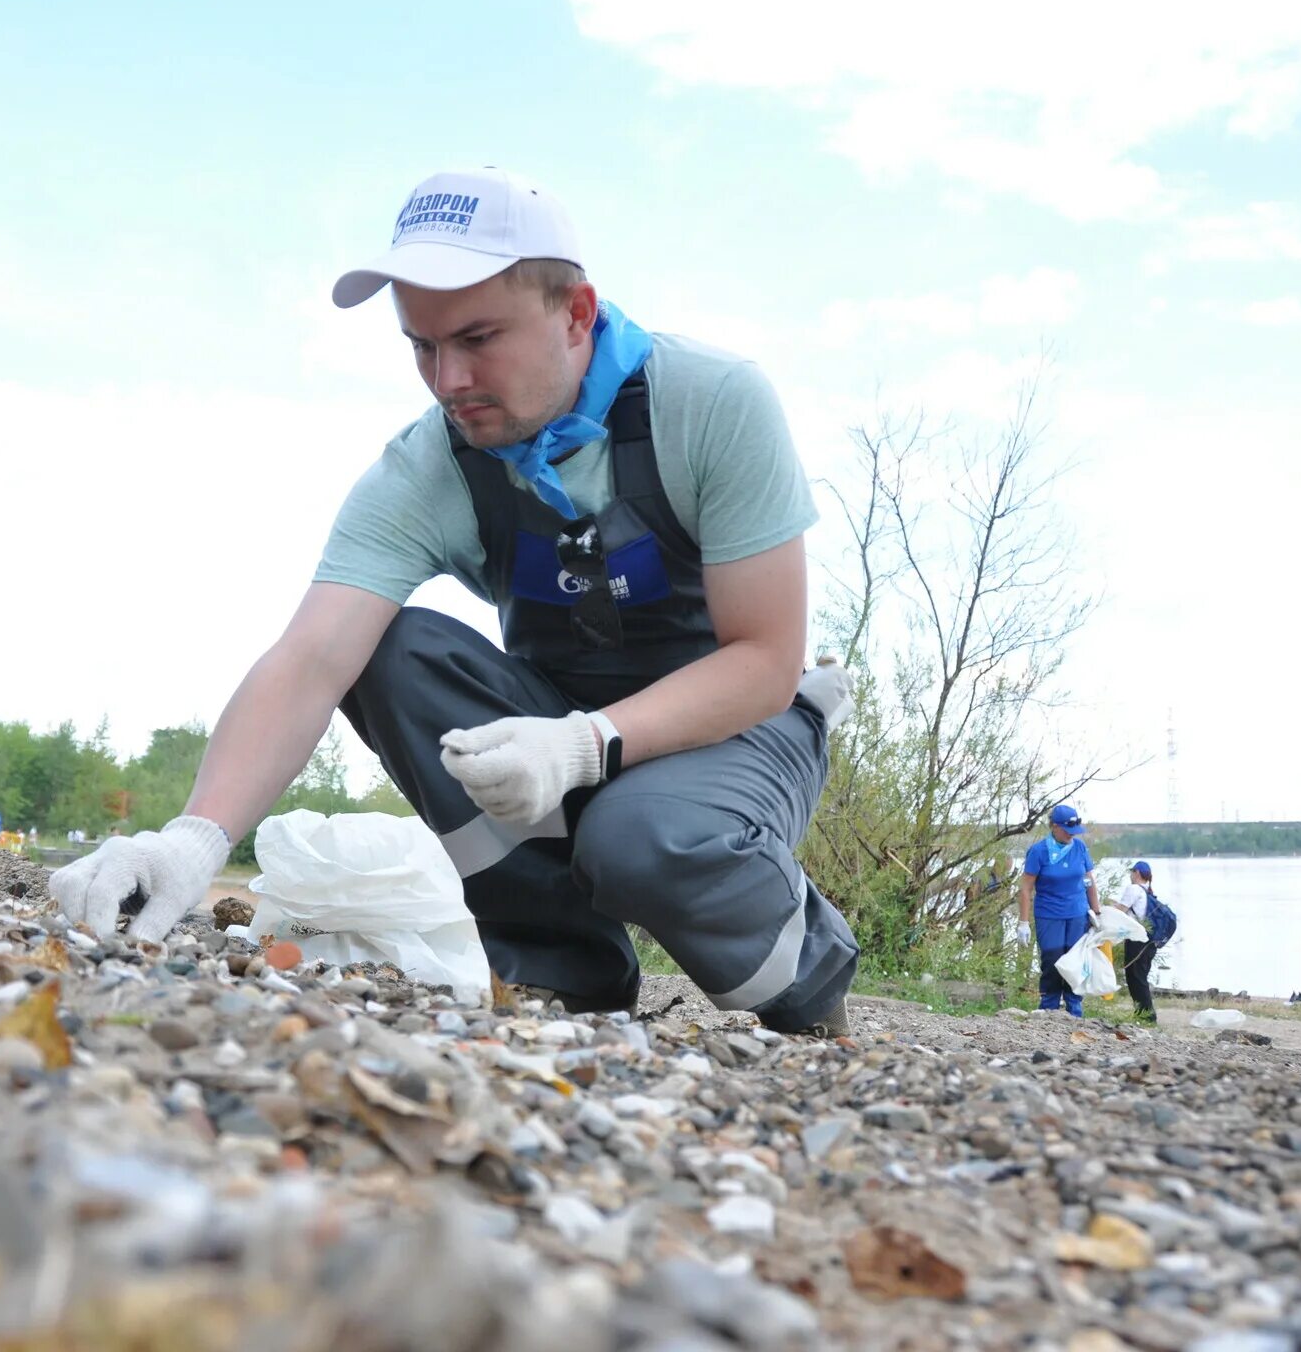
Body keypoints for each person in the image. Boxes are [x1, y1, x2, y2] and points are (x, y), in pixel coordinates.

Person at [50, 166, 859, 1034]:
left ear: (576, 313)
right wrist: (192, 839)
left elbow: (767, 658)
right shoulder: (431, 465)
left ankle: (800, 980)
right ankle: (562, 969)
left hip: (737, 725)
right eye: (422, 346)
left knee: (637, 837)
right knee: (388, 654)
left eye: (478, 338)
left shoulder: (711, 405)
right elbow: (310, 659)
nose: (448, 379)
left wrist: (588, 743)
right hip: (552, 722)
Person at [1018, 803, 1101, 1017]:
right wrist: (1023, 922)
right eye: (1067, 830)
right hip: (1049, 914)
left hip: (1077, 912)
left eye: (1075, 831)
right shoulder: (1038, 852)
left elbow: (1089, 881)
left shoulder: (1080, 848)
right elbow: (1026, 888)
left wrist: (1097, 912)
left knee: (1075, 959)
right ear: (1054, 826)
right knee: (1053, 958)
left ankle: (1074, 1005)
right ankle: (1049, 1004)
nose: (1071, 835)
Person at [1106, 860, 1159, 1023]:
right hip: (1149, 942)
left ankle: (1147, 1016)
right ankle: (1143, 1014)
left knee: (1135, 978)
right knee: (1140, 977)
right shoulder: (1147, 892)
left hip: (1137, 941)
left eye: (1132, 872)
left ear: (1137, 873)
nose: (1130, 875)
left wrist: (1105, 907)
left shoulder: (1134, 888)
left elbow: (1121, 910)